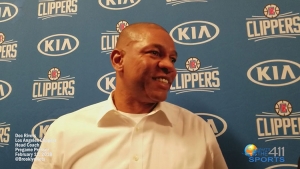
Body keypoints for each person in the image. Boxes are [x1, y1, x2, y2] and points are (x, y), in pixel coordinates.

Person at [31, 22, 228, 169]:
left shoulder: (197, 130)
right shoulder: (64, 131)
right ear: (118, 60)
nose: (169, 66)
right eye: (155, 53)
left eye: (173, 59)